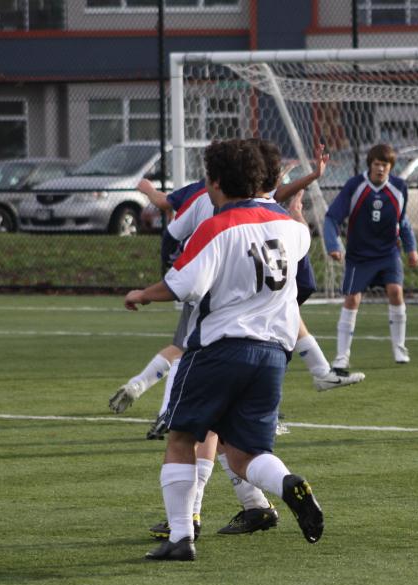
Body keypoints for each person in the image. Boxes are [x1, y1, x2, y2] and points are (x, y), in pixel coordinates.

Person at [124, 138, 323, 561]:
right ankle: (287, 483)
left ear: (214, 182)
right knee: (245, 455)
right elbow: (303, 279)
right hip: (273, 355)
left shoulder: (216, 226)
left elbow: (184, 285)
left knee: (181, 438)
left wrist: (142, 294)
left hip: (219, 349)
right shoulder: (291, 227)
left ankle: (181, 538)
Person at [323, 143, 418, 367]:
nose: (380, 169)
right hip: (359, 255)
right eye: (377, 164)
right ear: (370, 165)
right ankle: (342, 356)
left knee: (395, 291)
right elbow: (332, 217)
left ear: (391, 167)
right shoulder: (355, 186)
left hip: (388, 253)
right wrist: (333, 245)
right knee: (352, 299)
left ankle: (399, 349)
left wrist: (411, 248)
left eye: (385, 165)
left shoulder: (399, 188)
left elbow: (402, 221)